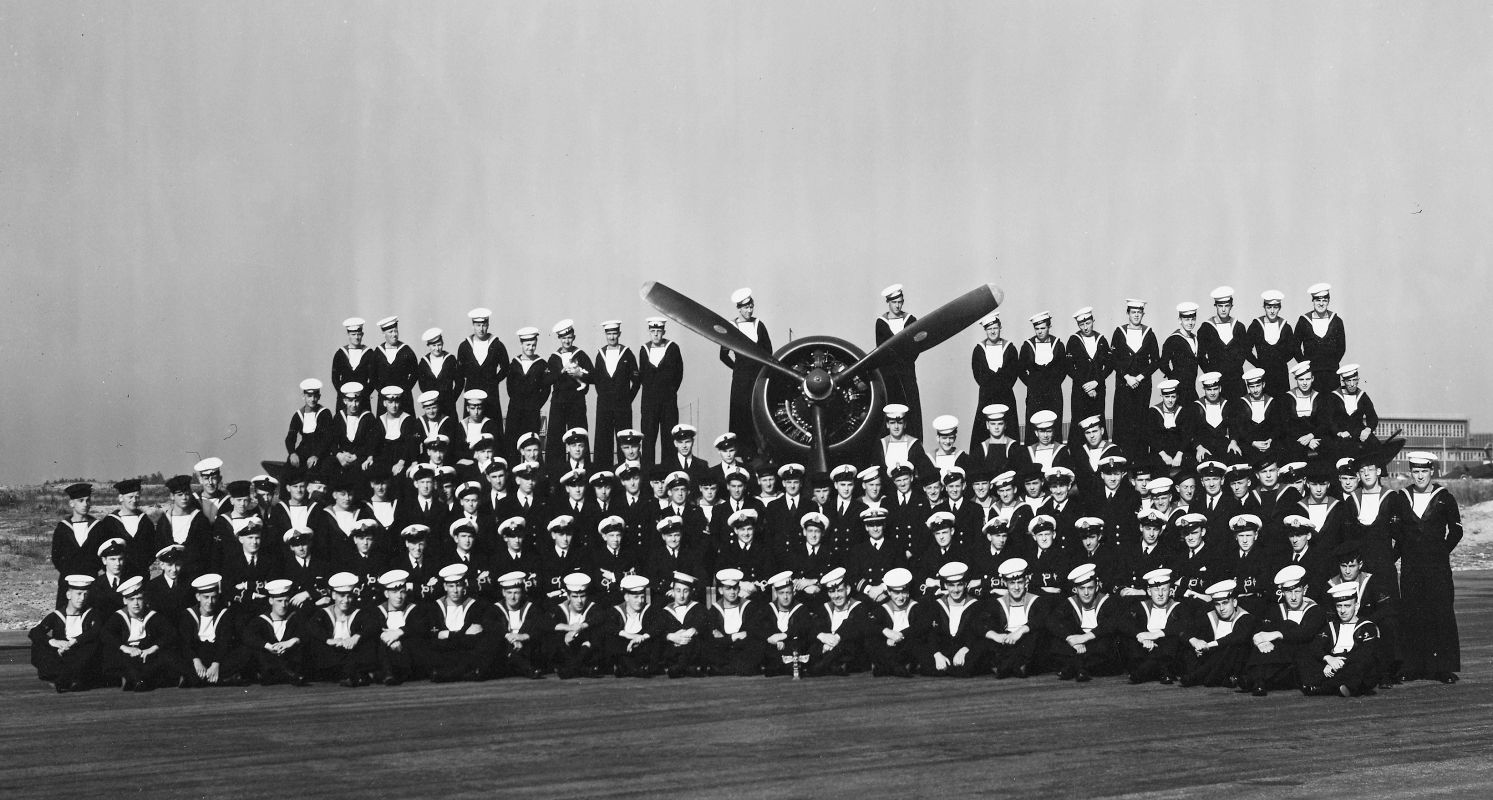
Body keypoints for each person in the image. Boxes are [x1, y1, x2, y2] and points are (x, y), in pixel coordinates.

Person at [1383, 451, 1461, 683]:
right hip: (1411, 568)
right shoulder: (1402, 497)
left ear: (1431, 471)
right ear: (1411, 472)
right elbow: (1396, 530)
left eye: (1424, 471)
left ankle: (1442, 668)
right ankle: (1411, 666)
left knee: (1440, 614)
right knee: (1411, 614)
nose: (1419, 476)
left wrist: (1441, 552)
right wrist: (1395, 555)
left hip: (1437, 568)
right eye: (1415, 471)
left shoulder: (1444, 497)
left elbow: (1456, 531)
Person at [1241, 564, 1325, 696]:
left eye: (1297, 591)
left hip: (1302, 660)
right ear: (1282, 592)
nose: (1293, 597)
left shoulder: (1315, 610)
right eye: (1289, 592)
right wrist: (1261, 641)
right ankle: (1258, 680)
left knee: (1288, 627)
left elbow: (1305, 634)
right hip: (1280, 661)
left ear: (1304, 590)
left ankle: (1254, 679)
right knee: (1265, 643)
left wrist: (1277, 634)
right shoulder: (1276, 609)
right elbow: (1263, 630)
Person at [100, 576, 182, 691]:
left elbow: (170, 633)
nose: (136, 603)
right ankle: (138, 681)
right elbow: (105, 634)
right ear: (125, 601)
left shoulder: (152, 615)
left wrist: (152, 648)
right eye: (131, 599)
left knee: (165, 658)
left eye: (139, 599)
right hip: (127, 654)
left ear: (144, 599)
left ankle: (137, 680)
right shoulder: (119, 616)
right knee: (120, 658)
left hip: (146, 653)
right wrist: (125, 648)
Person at [1047, 563, 1124, 681]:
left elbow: (1113, 623)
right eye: (1082, 588)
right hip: (1080, 647)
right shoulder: (1070, 602)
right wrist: (1071, 639)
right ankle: (1081, 668)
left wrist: (1085, 638)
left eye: (1090, 588)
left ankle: (1074, 667)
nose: (1086, 593)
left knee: (1105, 645)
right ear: (1075, 590)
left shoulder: (1107, 601)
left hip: (1096, 643)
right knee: (1056, 644)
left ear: (1097, 587)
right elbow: (1052, 621)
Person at [1302, 582, 1381, 696]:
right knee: (1304, 653)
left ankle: (1323, 687)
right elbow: (1316, 646)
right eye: (1339, 606)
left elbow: (1365, 653)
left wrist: (1339, 663)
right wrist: (1328, 658)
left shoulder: (1368, 626)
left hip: (1351, 664)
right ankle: (1344, 687)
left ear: (1356, 606)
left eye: (1347, 606)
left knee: (1363, 663)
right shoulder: (1331, 626)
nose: (1342, 611)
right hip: (1333, 664)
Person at [720, 288, 773, 457]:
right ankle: (741, 453)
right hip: (741, 380)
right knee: (740, 413)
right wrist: (737, 368)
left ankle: (760, 452)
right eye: (746, 307)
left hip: (757, 376)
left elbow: (768, 352)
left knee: (757, 411)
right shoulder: (731, 327)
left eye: (751, 307)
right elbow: (723, 355)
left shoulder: (759, 325)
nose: (750, 310)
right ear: (739, 309)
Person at [30, 574, 102, 692]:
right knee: (38, 644)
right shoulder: (57, 615)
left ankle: (66, 678)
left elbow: (96, 631)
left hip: (80, 653)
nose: (82, 598)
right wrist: (53, 641)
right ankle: (63, 677)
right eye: (78, 594)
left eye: (85, 594)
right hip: (61, 652)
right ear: (69, 595)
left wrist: (76, 641)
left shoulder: (91, 614)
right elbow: (35, 632)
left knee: (93, 645)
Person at [179, 573, 248, 688]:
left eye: (214, 597)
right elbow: (186, 643)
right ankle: (222, 679)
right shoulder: (188, 614)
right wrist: (196, 661)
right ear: (198, 597)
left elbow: (224, 642)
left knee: (244, 651)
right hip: (197, 655)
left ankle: (199, 679)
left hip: (217, 655)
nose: (210, 602)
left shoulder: (224, 614)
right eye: (206, 597)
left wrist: (216, 664)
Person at [1109, 299, 1160, 455]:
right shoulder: (1119, 332)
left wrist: (1140, 377)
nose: (1136, 315)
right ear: (1128, 313)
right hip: (1124, 385)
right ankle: (1121, 459)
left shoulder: (1149, 333)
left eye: (1139, 312)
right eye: (1133, 312)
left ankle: (1140, 461)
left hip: (1142, 386)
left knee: (1141, 423)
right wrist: (1127, 377)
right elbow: (1113, 359)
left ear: (1143, 314)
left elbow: (1156, 360)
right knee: (1123, 423)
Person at [875, 284, 925, 438]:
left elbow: (915, 348)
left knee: (912, 408)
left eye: (900, 302)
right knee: (890, 408)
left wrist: (903, 358)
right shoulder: (881, 323)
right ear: (888, 303)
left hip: (907, 373)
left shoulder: (911, 320)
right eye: (894, 302)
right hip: (889, 375)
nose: (897, 306)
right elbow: (882, 350)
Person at [591, 320, 640, 467]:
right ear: (605, 335)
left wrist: (627, 399)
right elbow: (597, 380)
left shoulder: (627, 353)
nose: (612, 337)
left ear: (619, 334)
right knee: (603, 441)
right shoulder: (600, 354)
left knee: (624, 441)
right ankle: (603, 472)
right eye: (609, 334)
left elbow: (636, 381)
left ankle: (625, 472)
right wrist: (604, 396)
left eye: (614, 333)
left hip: (622, 407)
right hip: (604, 406)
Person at [968, 311, 1021, 448]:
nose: (992, 331)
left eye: (995, 328)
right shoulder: (979, 350)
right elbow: (978, 375)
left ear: (1000, 328)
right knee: (983, 430)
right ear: (985, 330)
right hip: (987, 396)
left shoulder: (1010, 348)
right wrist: (992, 384)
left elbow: (1012, 373)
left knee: (1009, 428)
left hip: (1006, 395)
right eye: (989, 329)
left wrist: (1000, 384)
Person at [637, 317, 684, 465]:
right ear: (649, 332)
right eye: (653, 331)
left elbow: (678, 374)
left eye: (658, 331)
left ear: (664, 332)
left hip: (668, 402)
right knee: (648, 438)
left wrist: (669, 391)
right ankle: (648, 473)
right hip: (649, 403)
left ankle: (668, 472)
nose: (656, 334)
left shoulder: (673, 348)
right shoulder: (644, 349)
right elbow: (643, 375)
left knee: (669, 438)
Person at [456, 307, 509, 428]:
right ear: (473, 325)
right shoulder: (464, 346)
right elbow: (460, 372)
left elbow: (506, 367)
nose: (481, 328)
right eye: (478, 325)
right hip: (471, 392)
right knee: (471, 426)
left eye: (484, 325)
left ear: (488, 324)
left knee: (492, 426)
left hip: (491, 393)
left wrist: (494, 380)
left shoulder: (497, 345)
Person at [52, 482, 102, 609]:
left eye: (87, 500)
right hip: (68, 582)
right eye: (81, 501)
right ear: (72, 503)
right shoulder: (63, 528)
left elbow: (101, 555)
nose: (85, 504)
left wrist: (90, 569)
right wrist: (70, 572)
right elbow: (56, 557)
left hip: (91, 581)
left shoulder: (97, 527)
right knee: (66, 615)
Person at [1065, 307, 1111, 444]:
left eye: (1088, 323)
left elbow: (1110, 365)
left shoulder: (1101, 340)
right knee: (1079, 421)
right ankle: (1078, 455)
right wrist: (1085, 386)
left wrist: (1097, 382)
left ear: (1093, 321)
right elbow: (1069, 367)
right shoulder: (1073, 340)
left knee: (1098, 420)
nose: (1085, 327)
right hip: (1080, 390)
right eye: (1081, 324)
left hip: (1098, 389)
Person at [1019, 311, 1067, 443]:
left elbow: (1063, 369)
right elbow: (1020, 370)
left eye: (1043, 328)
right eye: (1037, 328)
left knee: (1054, 425)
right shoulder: (1027, 346)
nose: (1040, 331)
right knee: (1033, 425)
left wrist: (1053, 383)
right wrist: (1032, 384)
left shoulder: (1058, 344)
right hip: (1035, 394)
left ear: (1049, 327)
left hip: (1054, 394)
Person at [504, 327, 551, 454]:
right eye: (527, 345)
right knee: (512, 442)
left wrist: (536, 404)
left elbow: (546, 388)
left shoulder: (541, 364)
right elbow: (509, 387)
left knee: (531, 442)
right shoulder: (514, 363)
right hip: (515, 410)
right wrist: (517, 401)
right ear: (521, 344)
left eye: (533, 345)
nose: (531, 348)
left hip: (532, 411)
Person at [367, 569, 419, 685]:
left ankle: (386, 674)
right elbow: (374, 630)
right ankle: (388, 674)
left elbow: (417, 628)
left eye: (402, 592)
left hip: (406, 653)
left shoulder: (413, 609)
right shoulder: (378, 611)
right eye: (394, 592)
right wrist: (389, 640)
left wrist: (399, 633)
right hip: (385, 653)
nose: (399, 596)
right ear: (386, 594)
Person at [1198, 286, 1251, 398]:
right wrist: (1211, 374)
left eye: (1226, 306)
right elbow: (1201, 356)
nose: (1223, 309)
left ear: (1231, 306)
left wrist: (1234, 368)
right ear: (1215, 306)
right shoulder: (1206, 328)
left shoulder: (1239, 327)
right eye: (1220, 306)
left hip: (1237, 381)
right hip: (1217, 382)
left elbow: (1244, 352)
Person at [1295, 283, 1346, 392]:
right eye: (1318, 300)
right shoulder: (1303, 321)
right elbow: (1294, 347)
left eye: (1324, 300)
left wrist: (1331, 364)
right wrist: (1305, 366)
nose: (1321, 303)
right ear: (1313, 301)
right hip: (1312, 374)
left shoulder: (1337, 321)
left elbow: (1341, 347)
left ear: (1328, 301)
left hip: (1331, 373)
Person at [1248, 290, 1297, 400]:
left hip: (1281, 375)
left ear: (1280, 308)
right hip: (1263, 374)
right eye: (1269, 307)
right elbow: (1246, 350)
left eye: (1275, 307)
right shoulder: (1256, 326)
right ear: (1264, 307)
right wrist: (1259, 364)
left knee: (1282, 404)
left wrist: (1280, 361)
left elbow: (1292, 350)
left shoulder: (1285, 326)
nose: (1272, 311)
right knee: (1265, 403)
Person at [285, 378, 334, 473]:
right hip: (304, 449)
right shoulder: (298, 415)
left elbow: (327, 439)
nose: (312, 399)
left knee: (315, 470)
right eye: (309, 396)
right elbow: (290, 437)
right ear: (303, 396)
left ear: (319, 397)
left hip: (321, 451)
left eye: (315, 396)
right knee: (288, 470)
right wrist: (292, 453)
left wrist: (316, 455)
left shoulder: (324, 413)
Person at [371, 316, 418, 413]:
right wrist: (382, 391)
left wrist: (404, 390)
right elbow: (372, 375)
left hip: (404, 399)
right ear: (383, 333)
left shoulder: (406, 350)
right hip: (385, 399)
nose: (394, 334)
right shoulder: (378, 352)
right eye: (390, 332)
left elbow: (415, 373)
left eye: (396, 331)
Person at [1161, 302, 1202, 405]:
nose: (1190, 323)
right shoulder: (1173, 339)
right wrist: (1173, 379)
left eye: (1193, 319)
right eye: (1187, 319)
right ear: (1180, 320)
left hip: (1192, 388)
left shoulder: (1195, 338)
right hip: (1179, 391)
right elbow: (1162, 363)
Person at [331, 317, 374, 415]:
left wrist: (363, 395)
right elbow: (335, 378)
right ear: (348, 335)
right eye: (353, 334)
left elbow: (373, 378)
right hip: (344, 400)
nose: (356, 337)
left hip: (362, 400)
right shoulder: (340, 354)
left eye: (359, 334)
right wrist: (344, 395)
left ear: (362, 334)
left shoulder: (369, 353)